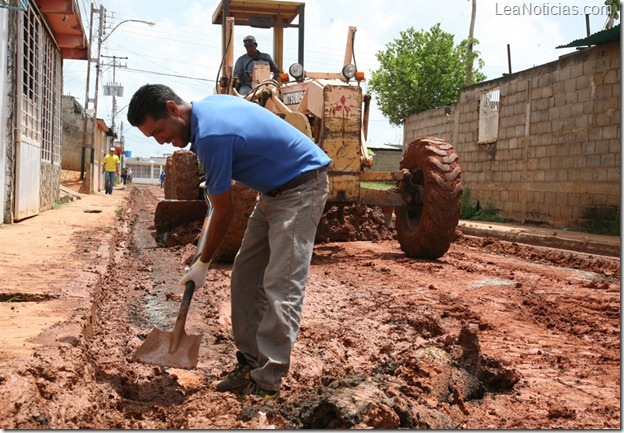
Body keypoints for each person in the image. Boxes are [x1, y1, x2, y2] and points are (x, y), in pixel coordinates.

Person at [127, 84, 330, 401]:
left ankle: (268, 380)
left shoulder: (211, 136)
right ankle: (250, 364)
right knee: (246, 276)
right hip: (272, 192)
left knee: (282, 283)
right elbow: (215, 204)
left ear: (172, 109)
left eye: (160, 131)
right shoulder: (206, 111)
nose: (161, 141)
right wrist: (201, 259)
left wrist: (203, 262)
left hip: (302, 188)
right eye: (153, 137)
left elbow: (224, 210)